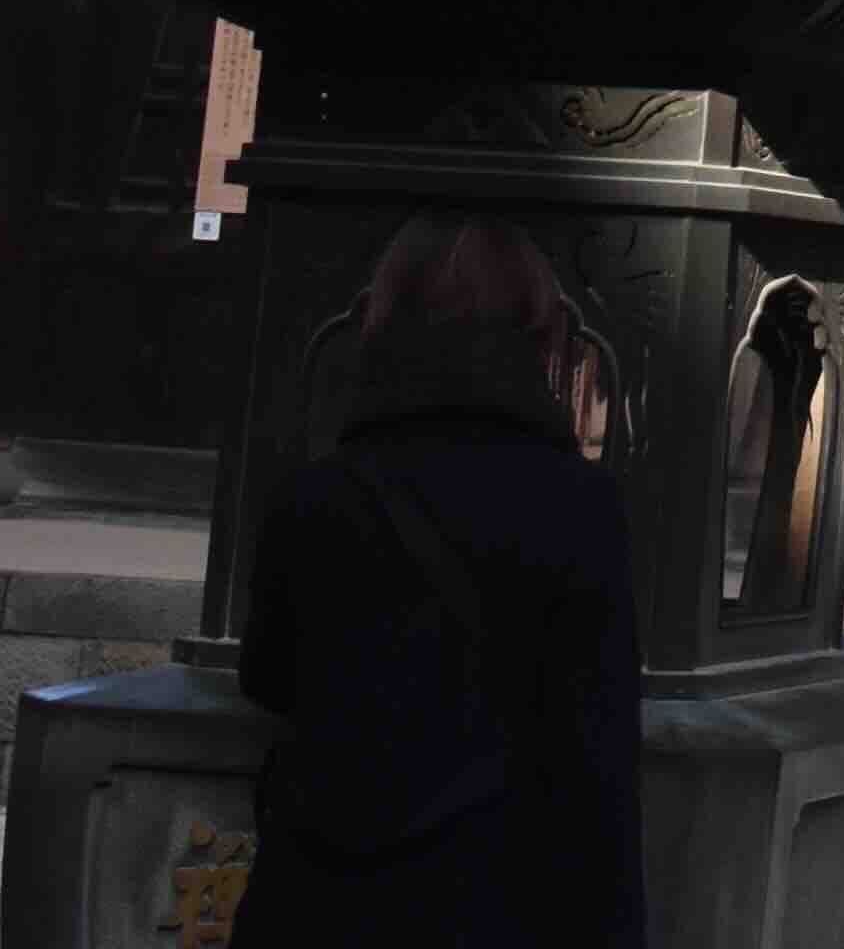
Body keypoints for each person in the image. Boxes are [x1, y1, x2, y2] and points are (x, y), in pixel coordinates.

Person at [229, 214, 644, 949]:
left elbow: (266, 675)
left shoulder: (318, 496)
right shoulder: (581, 509)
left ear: (382, 320)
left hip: (322, 900)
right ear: (540, 333)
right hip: (498, 905)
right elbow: (600, 764)